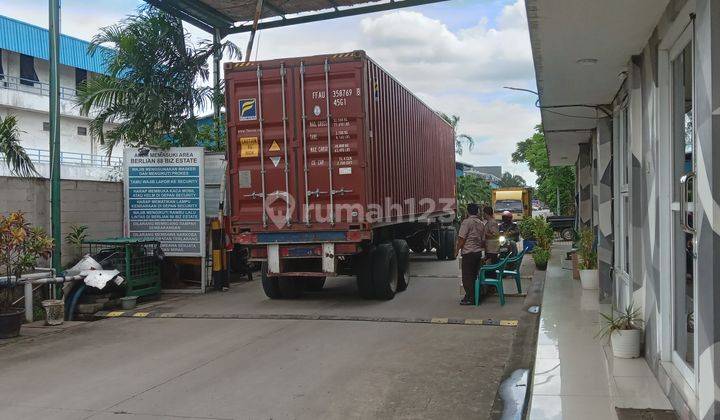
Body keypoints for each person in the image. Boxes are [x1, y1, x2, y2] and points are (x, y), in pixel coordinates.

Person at [456, 203, 485, 305]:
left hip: (468, 253)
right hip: (477, 253)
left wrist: (456, 251)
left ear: (467, 212)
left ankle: (471, 298)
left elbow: (461, 238)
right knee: (475, 275)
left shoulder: (466, 222)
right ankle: (474, 295)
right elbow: (483, 240)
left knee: (467, 277)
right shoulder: (481, 223)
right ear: (477, 212)